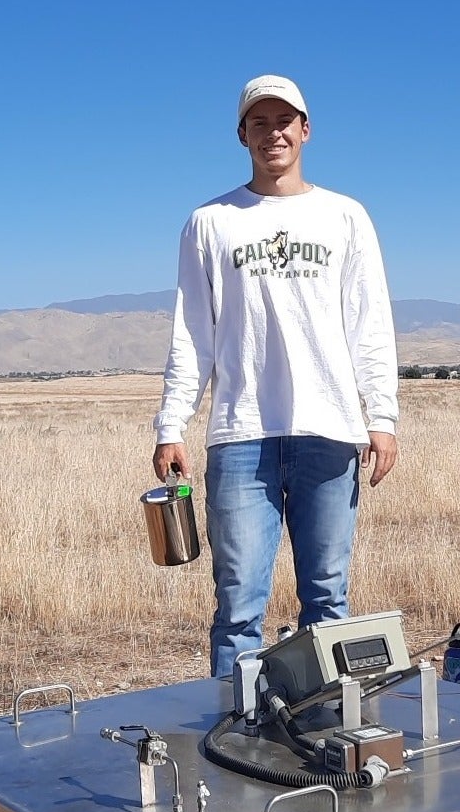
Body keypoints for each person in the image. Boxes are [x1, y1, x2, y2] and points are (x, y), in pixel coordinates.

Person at [152, 74, 399, 678]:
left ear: (306, 130)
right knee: (238, 608)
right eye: (258, 123)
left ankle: (326, 735)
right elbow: (193, 332)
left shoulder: (345, 216)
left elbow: (371, 322)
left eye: (284, 121)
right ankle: (233, 740)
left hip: (330, 429)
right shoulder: (210, 222)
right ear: (242, 135)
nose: (273, 134)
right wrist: (171, 423)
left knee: (329, 602)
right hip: (241, 436)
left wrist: (382, 416)